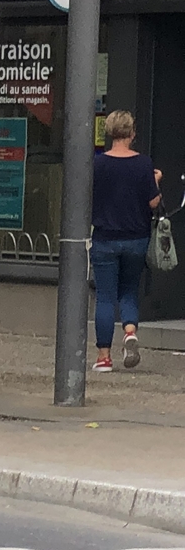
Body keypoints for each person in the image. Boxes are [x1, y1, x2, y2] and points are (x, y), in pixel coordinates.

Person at [91, 108, 162, 372]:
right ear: (132, 133)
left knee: (106, 297)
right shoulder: (143, 163)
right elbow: (153, 201)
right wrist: (155, 181)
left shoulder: (98, 164)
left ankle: (103, 357)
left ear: (109, 133)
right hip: (136, 237)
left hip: (105, 238)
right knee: (130, 290)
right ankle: (130, 331)